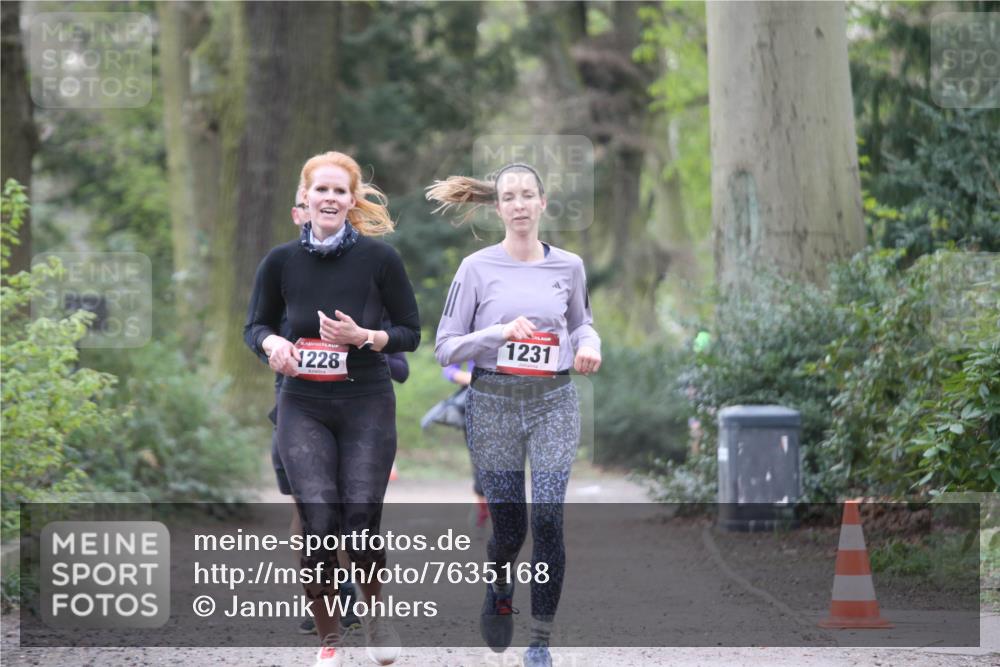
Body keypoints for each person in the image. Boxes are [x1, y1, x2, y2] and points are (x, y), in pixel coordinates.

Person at [245, 151, 420, 667]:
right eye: (320, 190)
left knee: (361, 520)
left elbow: (410, 331)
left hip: (366, 402)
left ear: (351, 200)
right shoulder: (280, 262)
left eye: (339, 191)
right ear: (306, 196)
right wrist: (272, 345)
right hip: (303, 405)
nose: (329, 198)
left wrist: (365, 336)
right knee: (318, 520)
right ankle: (329, 640)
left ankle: (376, 618)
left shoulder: (380, 260)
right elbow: (255, 324)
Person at [427, 163, 601, 667]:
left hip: (553, 401)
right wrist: (498, 334)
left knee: (547, 516)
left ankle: (540, 640)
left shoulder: (569, 266)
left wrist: (590, 347)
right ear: (498, 207)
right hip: (493, 403)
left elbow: (583, 324)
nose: (520, 204)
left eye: (528, 195)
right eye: (510, 196)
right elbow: (445, 348)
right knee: (509, 527)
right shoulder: (476, 268)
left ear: (542, 204)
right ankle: (499, 583)